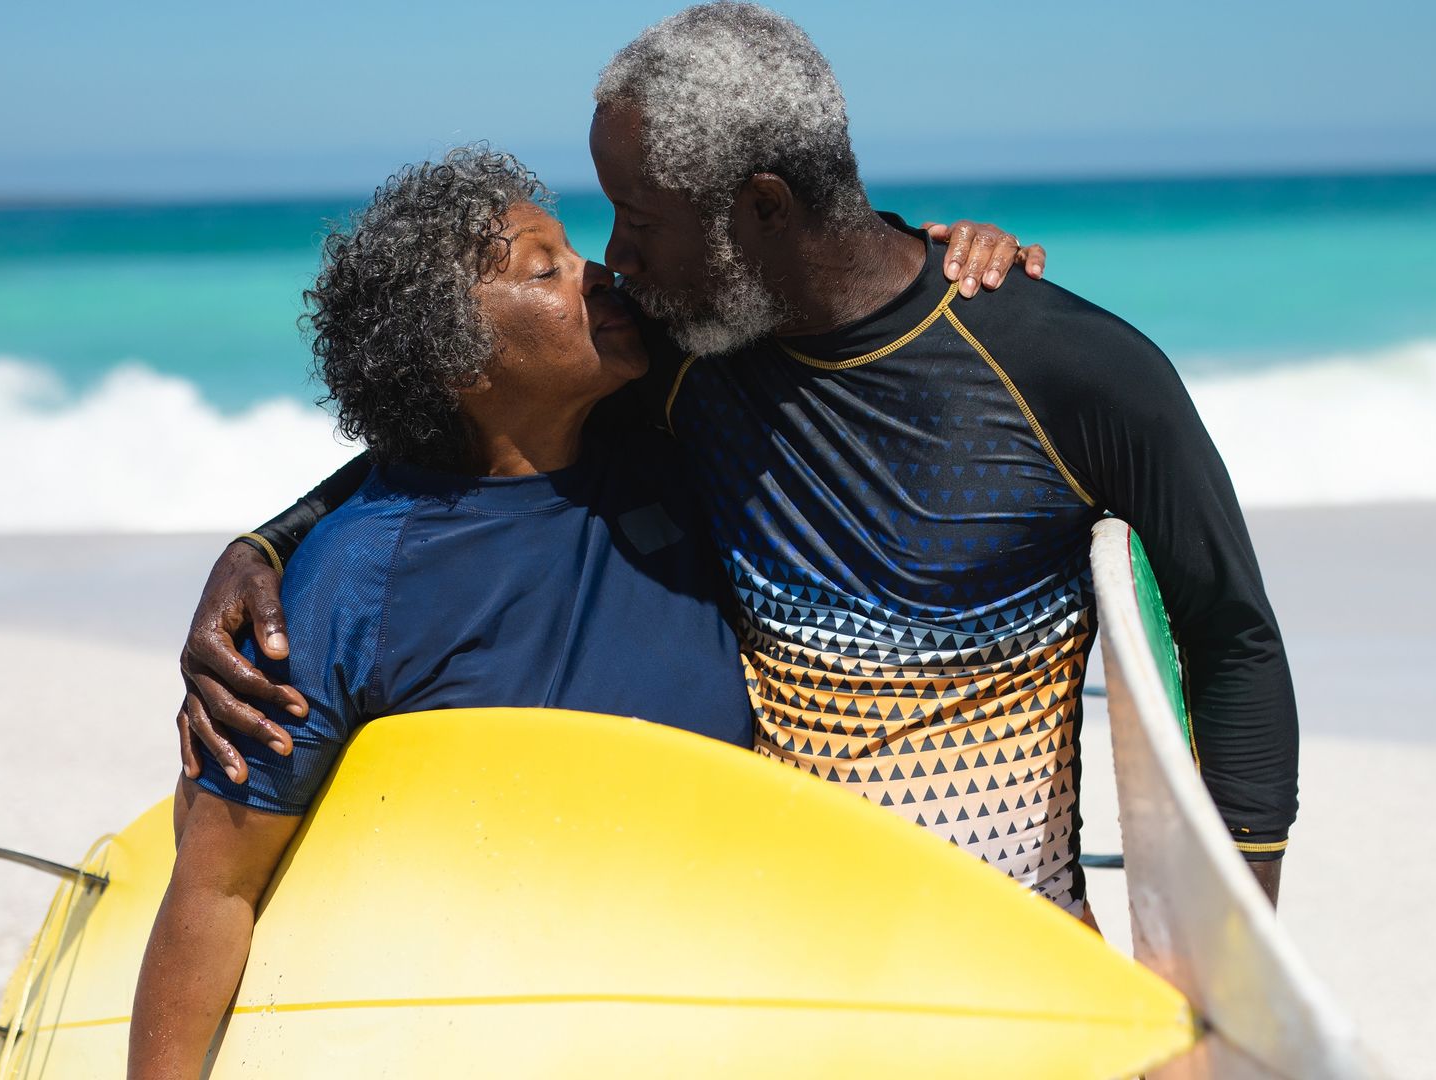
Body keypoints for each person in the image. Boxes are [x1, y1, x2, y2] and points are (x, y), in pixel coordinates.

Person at [182, 4, 1298, 922]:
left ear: (760, 208)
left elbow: (1230, 642)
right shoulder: (684, 361)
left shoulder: (1072, 372)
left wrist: (1227, 973)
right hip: (764, 965)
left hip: (1008, 960)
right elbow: (471, 422)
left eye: (638, 220)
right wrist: (271, 542)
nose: (613, 262)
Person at [127, 149, 758, 1079]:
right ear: (460, 361)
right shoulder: (358, 575)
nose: (598, 270)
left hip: (733, 954)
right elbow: (215, 886)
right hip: (513, 1011)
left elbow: (838, 303)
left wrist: (963, 268)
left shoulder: (667, 432)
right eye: (546, 269)